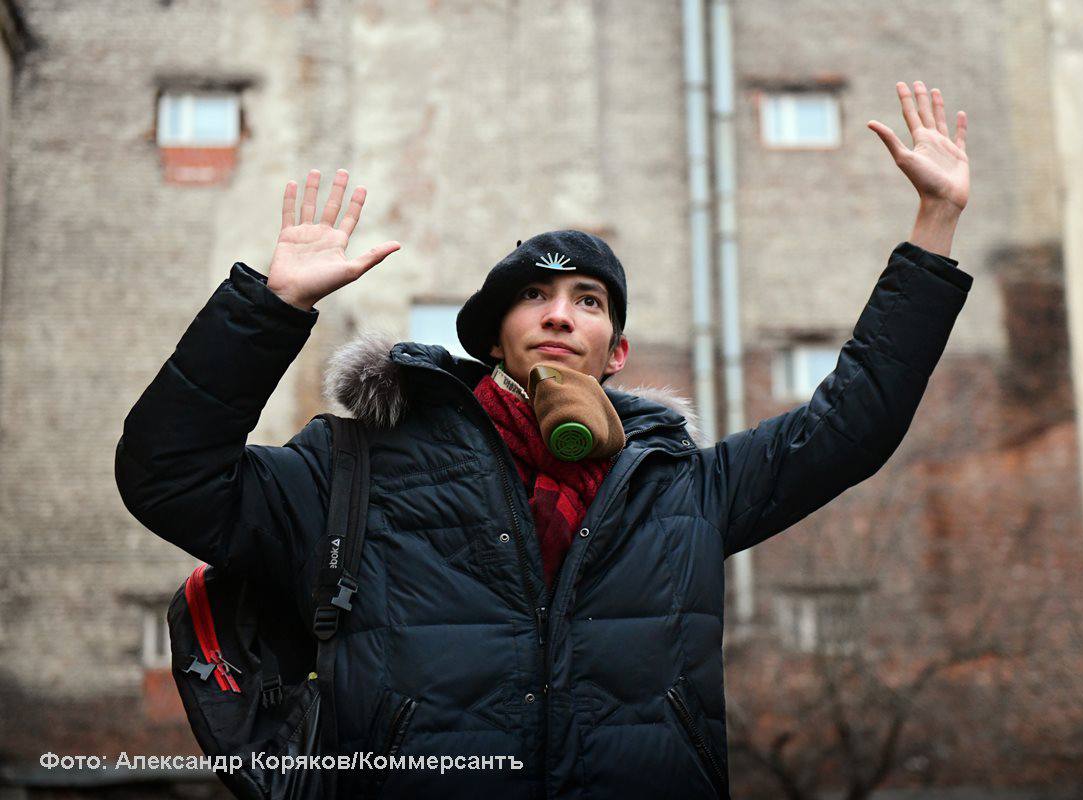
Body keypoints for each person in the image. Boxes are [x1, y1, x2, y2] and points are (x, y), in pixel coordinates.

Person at [115, 80, 973, 799]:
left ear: (616, 351)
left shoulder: (685, 488)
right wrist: (272, 308)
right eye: (535, 296)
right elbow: (168, 477)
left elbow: (852, 423)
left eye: (588, 301)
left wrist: (934, 223)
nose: (561, 314)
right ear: (494, 339)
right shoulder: (360, 467)